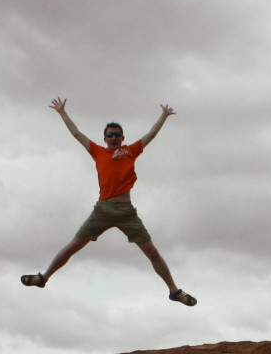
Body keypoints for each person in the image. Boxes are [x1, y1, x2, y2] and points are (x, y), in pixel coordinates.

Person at [21, 98, 196, 306]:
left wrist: (164, 116)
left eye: (117, 135)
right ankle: (43, 278)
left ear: (122, 138)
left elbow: (151, 135)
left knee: (152, 252)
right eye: (109, 135)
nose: (113, 138)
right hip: (103, 209)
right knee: (73, 246)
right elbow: (77, 133)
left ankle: (174, 292)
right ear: (105, 139)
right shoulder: (98, 152)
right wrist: (62, 112)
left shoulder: (130, 151)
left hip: (126, 211)